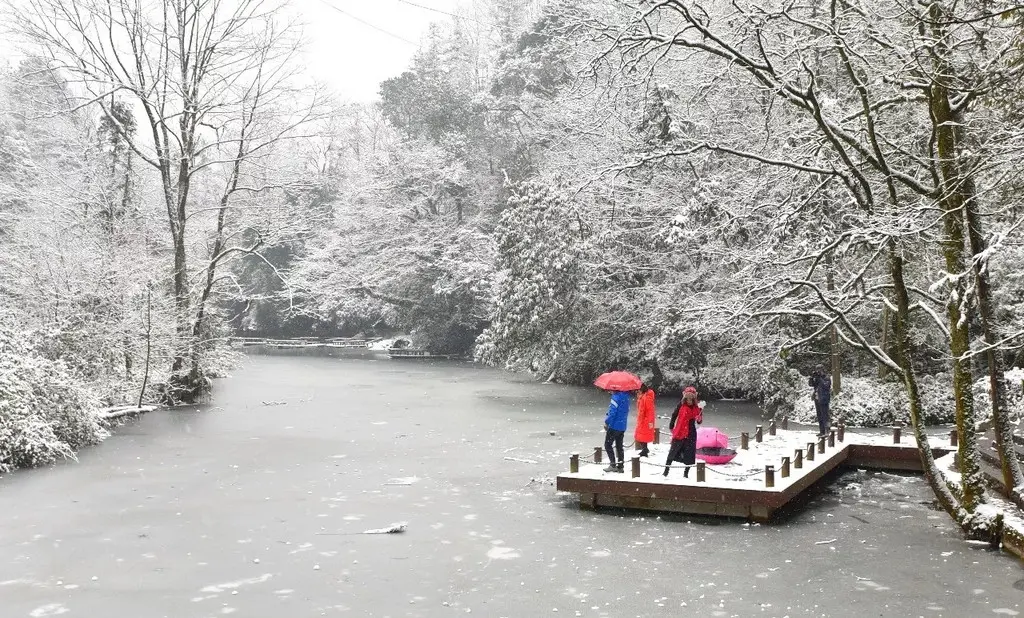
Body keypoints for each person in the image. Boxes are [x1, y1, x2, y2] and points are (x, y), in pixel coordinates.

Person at [664, 386, 703, 477]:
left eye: (691, 398)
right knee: (672, 452)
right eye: (687, 398)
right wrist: (671, 425)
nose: (689, 400)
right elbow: (674, 415)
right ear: (684, 397)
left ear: (694, 398)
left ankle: (686, 474)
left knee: (689, 454)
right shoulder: (681, 405)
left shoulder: (698, 407)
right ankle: (666, 470)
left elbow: (699, 421)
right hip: (680, 430)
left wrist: (699, 418)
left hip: (691, 432)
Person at [603, 389, 630, 473]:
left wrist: (607, 422)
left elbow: (613, 412)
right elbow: (625, 411)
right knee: (619, 446)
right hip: (622, 426)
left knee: (607, 444)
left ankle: (613, 464)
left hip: (614, 426)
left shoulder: (615, 397)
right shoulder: (626, 397)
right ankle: (621, 466)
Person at [808, 364, 832, 436]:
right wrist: (811, 378)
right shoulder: (817, 377)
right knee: (819, 416)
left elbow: (826, 386)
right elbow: (811, 384)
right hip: (817, 398)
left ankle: (827, 431)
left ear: (823, 370)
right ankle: (822, 431)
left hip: (824, 398)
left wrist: (820, 378)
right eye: (817, 369)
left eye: (819, 369)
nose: (818, 371)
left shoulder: (827, 377)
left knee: (825, 415)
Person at [634, 384, 656, 457]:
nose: (637, 392)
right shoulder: (643, 397)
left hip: (645, 420)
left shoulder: (647, 398)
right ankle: (645, 449)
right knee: (641, 436)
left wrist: (649, 421)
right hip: (642, 419)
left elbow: (650, 410)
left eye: (638, 390)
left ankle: (645, 449)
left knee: (642, 436)